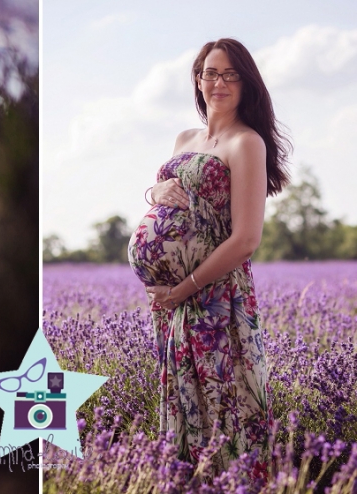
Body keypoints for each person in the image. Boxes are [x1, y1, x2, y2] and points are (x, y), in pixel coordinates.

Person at [127, 38, 289, 479]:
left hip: (214, 298)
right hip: (173, 306)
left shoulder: (247, 143)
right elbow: (165, 197)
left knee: (224, 405)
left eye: (230, 74)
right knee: (185, 406)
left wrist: (182, 290)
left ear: (246, 83)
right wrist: (154, 190)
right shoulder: (185, 138)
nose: (219, 82)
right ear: (198, 80)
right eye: (211, 73)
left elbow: (245, 240)